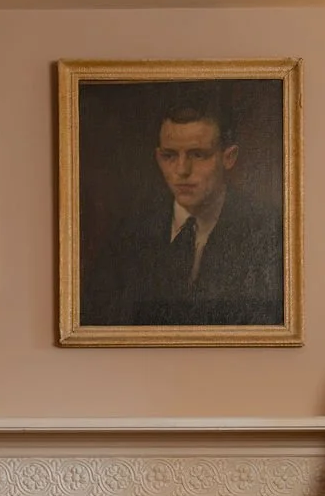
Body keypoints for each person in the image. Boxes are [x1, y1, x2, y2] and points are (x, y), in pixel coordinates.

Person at [81, 93, 284, 326]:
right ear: (158, 158)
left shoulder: (269, 229)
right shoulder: (127, 233)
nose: (182, 170)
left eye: (198, 155)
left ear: (228, 158)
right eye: (169, 156)